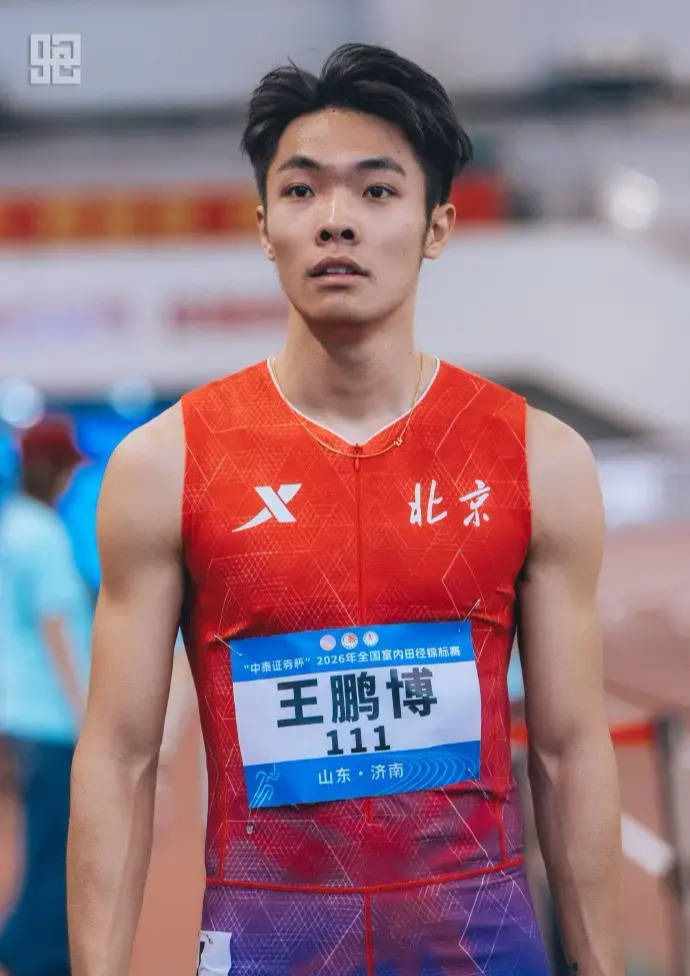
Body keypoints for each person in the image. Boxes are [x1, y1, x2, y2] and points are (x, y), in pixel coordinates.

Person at [67, 43, 623, 976]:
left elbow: (569, 751)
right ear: (263, 225)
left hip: (479, 947)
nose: (336, 220)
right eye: (301, 191)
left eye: (376, 190)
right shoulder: (167, 465)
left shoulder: (538, 459)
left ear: (437, 225)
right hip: (266, 945)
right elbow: (120, 756)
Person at [0, 419, 91, 976]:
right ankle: (35, 955)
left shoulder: (12, 527)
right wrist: (85, 715)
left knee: (41, 840)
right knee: (56, 846)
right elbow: (56, 627)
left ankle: (24, 947)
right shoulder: (44, 536)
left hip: (19, 713)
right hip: (52, 719)